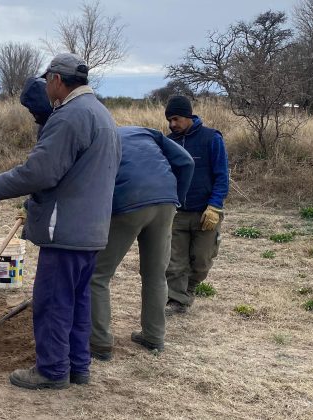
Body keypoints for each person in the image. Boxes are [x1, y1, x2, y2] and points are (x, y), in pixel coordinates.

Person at [0, 53, 121, 390]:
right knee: (78, 303)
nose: (46, 87)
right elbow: (76, 175)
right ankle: (77, 368)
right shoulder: (101, 114)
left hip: (66, 231)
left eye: (46, 81)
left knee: (54, 302)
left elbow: (40, 171)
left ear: (56, 79)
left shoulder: (69, 116)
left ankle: (53, 370)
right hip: (92, 231)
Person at [90, 126, 194, 361]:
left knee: (97, 275)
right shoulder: (145, 132)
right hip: (166, 200)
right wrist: (178, 197)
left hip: (129, 202)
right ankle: (154, 336)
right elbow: (186, 162)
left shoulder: (99, 137)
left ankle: (99, 343)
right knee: (156, 274)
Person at [163, 95, 229, 314]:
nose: (172, 124)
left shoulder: (211, 138)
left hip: (205, 212)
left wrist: (215, 206)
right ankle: (177, 299)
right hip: (177, 212)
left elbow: (221, 176)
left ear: (188, 116)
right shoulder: (168, 142)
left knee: (201, 260)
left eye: (176, 119)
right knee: (174, 261)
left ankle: (188, 289)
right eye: (169, 120)